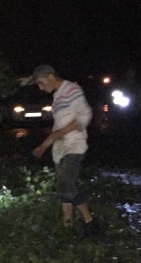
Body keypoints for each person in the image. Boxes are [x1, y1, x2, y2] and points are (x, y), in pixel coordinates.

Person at [29, 65, 98, 237]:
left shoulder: (71, 89)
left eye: (40, 82)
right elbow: (57, 127)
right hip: (61, 149)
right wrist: (43, 146)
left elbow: (85, 116)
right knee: (64, 189)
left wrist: (60, 133)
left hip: (74, 145)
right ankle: (67, 225)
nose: (40, 87)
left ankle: (90, 222)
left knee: (65, 184)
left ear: (51, 76)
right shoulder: (57, 97)